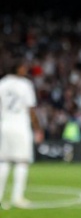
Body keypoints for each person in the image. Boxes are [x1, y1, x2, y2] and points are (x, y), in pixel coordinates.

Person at [0, 59, 43, 209]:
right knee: (21, 162)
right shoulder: (25, 84)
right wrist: (37, 128)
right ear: (17, 68)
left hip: (4, 124)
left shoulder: (2, 83)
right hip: (20, 125)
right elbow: (31, 109)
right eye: (23, 67)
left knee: (4, 161)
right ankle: (17, 198)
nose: (25, 70)